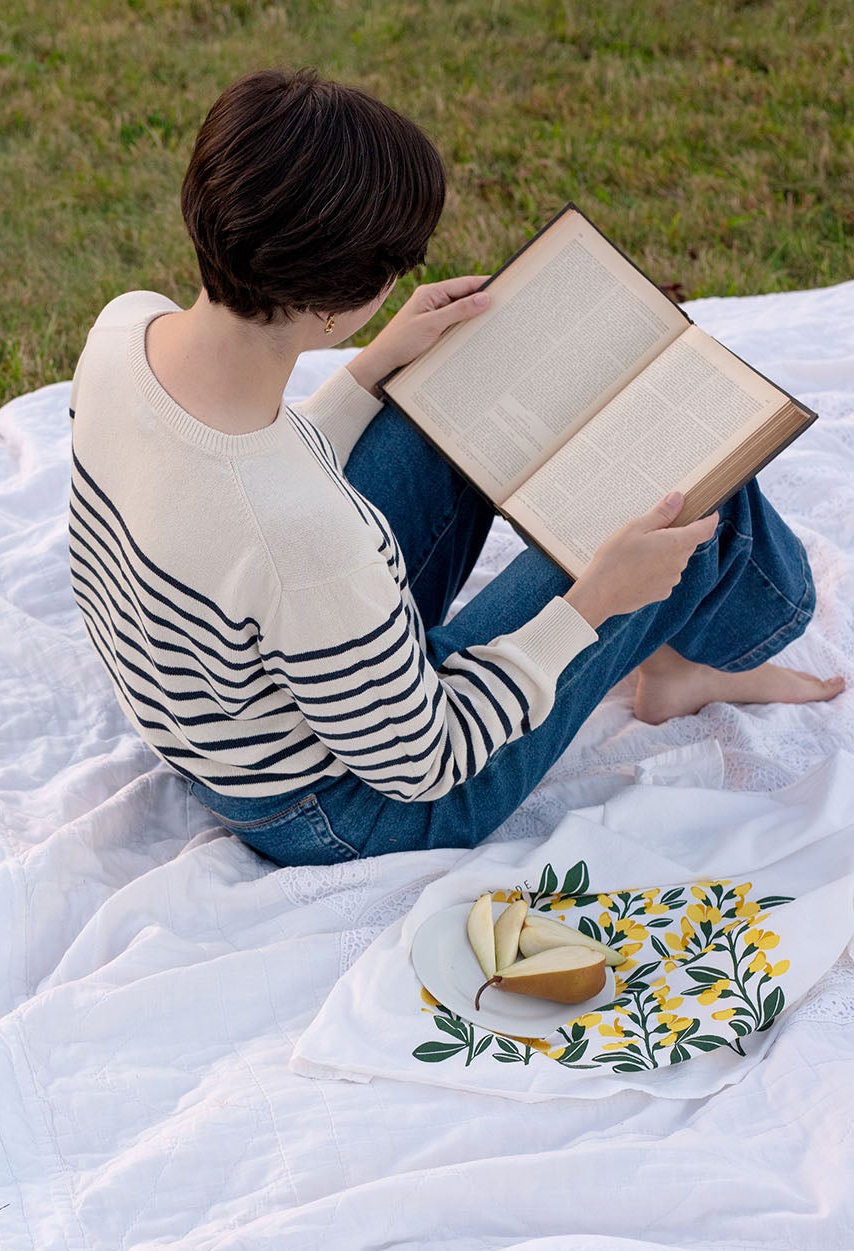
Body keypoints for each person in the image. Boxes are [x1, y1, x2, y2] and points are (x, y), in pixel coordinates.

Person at [67, 67, 844, 865]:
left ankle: (666, 651)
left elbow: (234, 483)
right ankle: (706, 654)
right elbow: (428, 762)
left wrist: (376, 366)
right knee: (695, 501)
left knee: (445, 401)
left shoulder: (125, 330)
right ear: (336, 300)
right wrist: (594, 604)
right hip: (341, 807)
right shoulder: (307, 537)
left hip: (230, 712)